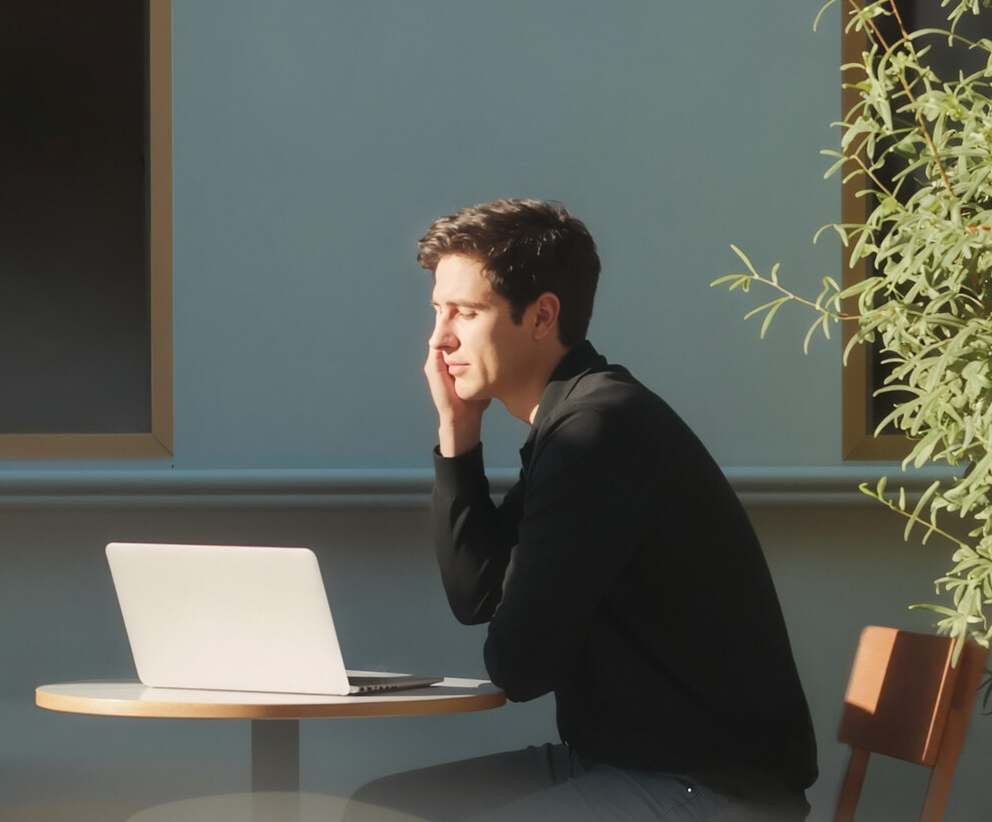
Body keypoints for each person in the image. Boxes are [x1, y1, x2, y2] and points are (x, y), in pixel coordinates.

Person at [350, 200, 819, 822]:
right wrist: (457, 431)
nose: (440, 339)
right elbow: (477, 595)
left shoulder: (597, 432)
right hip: (618, 764)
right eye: (439, 310)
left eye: (466, 311)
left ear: (543, 315)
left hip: (709, 788)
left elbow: (519, 668)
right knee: (380, 808)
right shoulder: (574, 420)